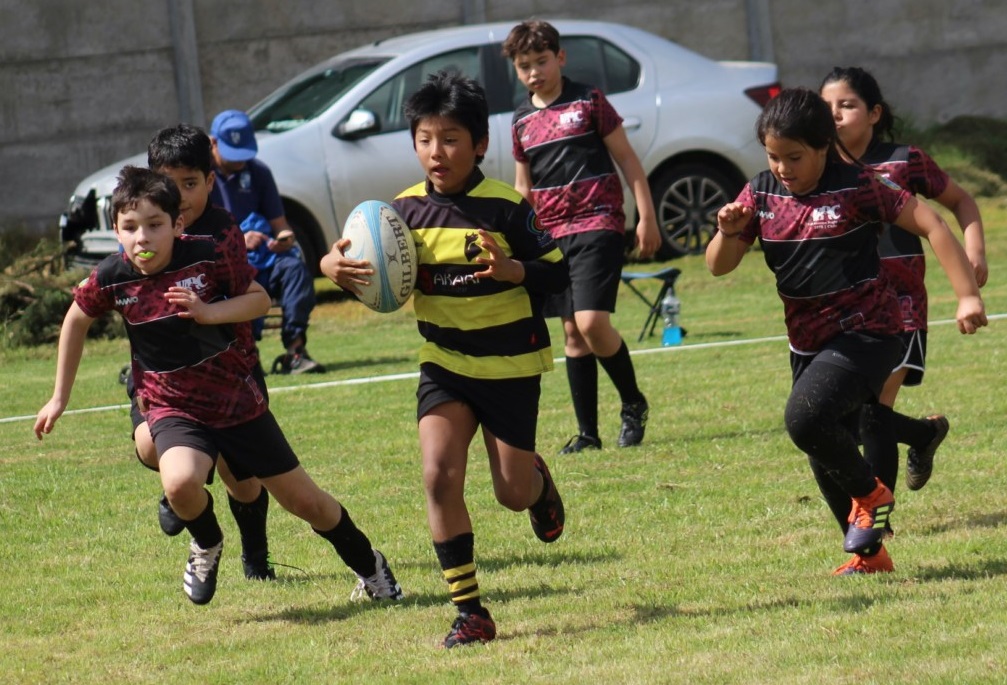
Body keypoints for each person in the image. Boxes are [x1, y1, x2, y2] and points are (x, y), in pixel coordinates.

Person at [35, 166, 404, 606]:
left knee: (307, 504)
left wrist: (209, 312)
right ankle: (207, 543)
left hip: (237, 406)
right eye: (130, 228)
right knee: (179, 483)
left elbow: (260, 299)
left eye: (155, 226)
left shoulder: (207, 257)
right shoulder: (114, 276)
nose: (142, 239)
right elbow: (76, 318)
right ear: (116, 232)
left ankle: (372, 568)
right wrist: (60, 396)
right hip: (173, 407)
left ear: (177, 225)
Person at [320, 71, 568, 648]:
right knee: (438, 477)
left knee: (510, 493)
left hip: (510, 366)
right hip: (444, 363)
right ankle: (471, 613)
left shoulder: (506, 210)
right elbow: (348, 259)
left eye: (452, 138)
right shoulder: (399, 214)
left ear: (480, 144)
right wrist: (334, 268)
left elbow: (559, 270)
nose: (438, 151)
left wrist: (513, 271)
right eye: (426, 138)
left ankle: (536, 481)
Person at [706, 88, 986, 576]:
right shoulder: (761, 193)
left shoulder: (859, 185)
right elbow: (718, 267)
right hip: (806, 342)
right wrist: (728, 232)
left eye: (794, 157)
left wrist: (966, 295)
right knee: (821, 444)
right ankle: (869, 556)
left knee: (804, 420)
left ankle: (871, 493)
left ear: (823, 148)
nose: (783, 168)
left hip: (869, 333)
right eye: (773, 157)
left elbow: (933, 225)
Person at [819, 66, 988, 495]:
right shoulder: (817, 171)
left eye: (847, 105)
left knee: (875, 408)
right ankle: (922, 435)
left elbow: (961, 202)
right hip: (847, 310)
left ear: (874, 113)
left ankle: (879, 520)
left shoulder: (903, 161)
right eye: (826, 107)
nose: (835, 115)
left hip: (901, 307)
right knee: (854, 416)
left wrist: (974, 254)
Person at [503, 20, 662, 454]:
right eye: (524, 66)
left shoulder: (589, 100)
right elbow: (523, 188)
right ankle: (588, 435)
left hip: (599, 223)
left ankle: (633, 403)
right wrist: (517, 236)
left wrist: (645, 216)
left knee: (593, 323)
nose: (534, 71)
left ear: (560, 58)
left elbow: (628, 160)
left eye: (541, 60)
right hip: (552, 237)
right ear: (516, 71)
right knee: (573, 333)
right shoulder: (521, 121)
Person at [136, 123, 275, 580]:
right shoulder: (142, 229)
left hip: (228, 372)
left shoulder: (221, 233)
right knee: (147, 445)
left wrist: (207, 313)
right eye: (168, 184)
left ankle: (255, 556)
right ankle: (187, 494)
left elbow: (252, 298)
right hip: (162, 379)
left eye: (190, 184)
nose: (179, 195)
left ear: (211, 182)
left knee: (245, 478)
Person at [208, 109, 322, 374]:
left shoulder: (259, 172)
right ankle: (245, 353)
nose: (241, 160)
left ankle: (295, 351)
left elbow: (281, 226)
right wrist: (237, 241)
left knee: (294, 268)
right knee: (234, 279)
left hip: (262, 261)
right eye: (233, 152)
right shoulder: (199, 178)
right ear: (213, 143)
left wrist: (284, 240)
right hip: (223, 266)